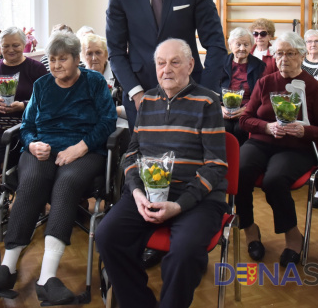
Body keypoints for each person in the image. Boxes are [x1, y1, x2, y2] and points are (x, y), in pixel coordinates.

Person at [0, 31, 116, 303]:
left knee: (66, 184)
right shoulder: (42, 86)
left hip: (84, 150)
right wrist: (30, 145)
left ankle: (47, 277)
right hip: (43, 149)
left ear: (77, 59)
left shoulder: (95, 83)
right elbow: (27, 127)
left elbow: (107, 122)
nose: (56, 66)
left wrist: (81, 147)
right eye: (52, 60)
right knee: (30, 183)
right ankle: (8, 266)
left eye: (62, 59)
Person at [95, 39, 228, 308]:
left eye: (175, 62)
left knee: (185, 253)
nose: (166, 69)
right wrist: (136, 192)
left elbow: (216, 165)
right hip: (147, 194)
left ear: (190, 65)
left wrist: (180, 205)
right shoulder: (148, 101)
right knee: (107, 235)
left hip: (196, 200)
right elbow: (132, 154)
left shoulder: (207, 101)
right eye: (161, 63)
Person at [106, 0, 227, 131]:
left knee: (188, 158)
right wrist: (136, 92)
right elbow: (115, 51)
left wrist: (207, 91)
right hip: (141, 95)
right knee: (147, 160)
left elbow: (216, 43)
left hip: (189, 91)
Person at [236, 31, 318, 266]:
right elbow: (245, 119)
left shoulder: (314, 88)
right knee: (239, 172)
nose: (283, 59)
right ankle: (250, 230)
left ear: (302, 56)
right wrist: (267, 127)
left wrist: (305, 131)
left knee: (274, 180)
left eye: (290, 53)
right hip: (262, 141)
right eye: (279, 53)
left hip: (296, 147)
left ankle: (293, 237)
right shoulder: (265, 82)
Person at [0, 26, 48, 215]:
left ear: (24, 44)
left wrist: (23, 105)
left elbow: (48, 100)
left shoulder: (36, 69)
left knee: (28, 160)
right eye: (6, 46)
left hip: (30, 126)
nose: (11, 50)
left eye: (16, 45)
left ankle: (29, 200)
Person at [218, 26, 267, 144]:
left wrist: (247, 109)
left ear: (251, 46)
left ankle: (241, 160)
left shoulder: (260, 66)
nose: (242, 48)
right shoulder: (220, 64)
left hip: (248, 110)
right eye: (238, 44)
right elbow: (211, 90)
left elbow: (262, 94)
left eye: (246, 45)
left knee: (241, 128)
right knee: (224, 128)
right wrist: (220, 108)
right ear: (230, 45)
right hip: (223, 110)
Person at [80, 33, 124, 120]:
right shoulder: (77, 77)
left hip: (118, 127)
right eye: (89, 53)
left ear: (106, 54)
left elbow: (132, 109)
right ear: (83, 57)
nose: (94, 58)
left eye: (98, 52)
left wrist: (112, 110)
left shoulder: (119, 76)